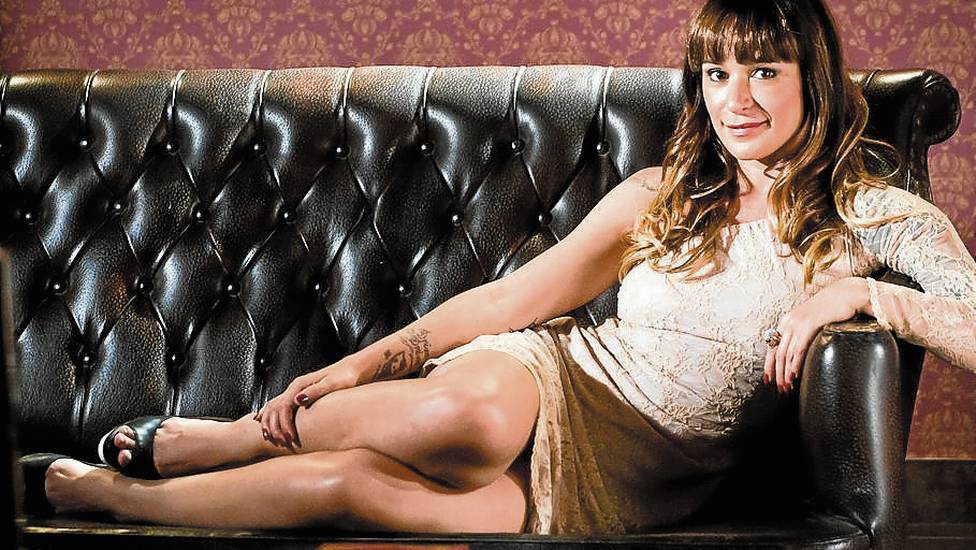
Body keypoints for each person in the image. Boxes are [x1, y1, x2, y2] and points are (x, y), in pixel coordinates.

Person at [22, 0, 976, 535]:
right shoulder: (658, 193)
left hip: (638, 474)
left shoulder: (876, 215)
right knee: (471, 420)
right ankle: (222, 438)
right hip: (551, 379)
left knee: (350, 490)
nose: (737, 100)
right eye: (717, 74)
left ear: (813, 76)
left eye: (764, 70)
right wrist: (359, 365)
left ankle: (118, 496)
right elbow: (518, 297)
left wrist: (865, 296)